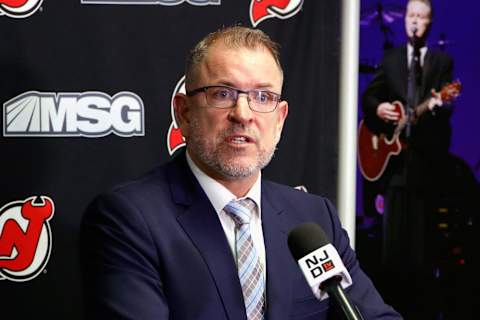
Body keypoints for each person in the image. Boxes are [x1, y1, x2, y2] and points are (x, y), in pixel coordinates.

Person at [80, 26, 401, 319]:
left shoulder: (314, 218)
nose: (243, 114)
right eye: (223, 94)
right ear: (184, 112)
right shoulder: (128, 219)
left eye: (263, 97)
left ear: (280, 119)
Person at [362, 0, 454, 317]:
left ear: (430, 22)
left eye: (422, 17)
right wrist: (378, 108)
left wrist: (440, 105)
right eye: (411, 16)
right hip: (394, 167)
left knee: (423, 243)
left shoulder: (442, 62)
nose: (415, 22)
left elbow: (449, 100)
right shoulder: (390, 60)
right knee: (393, 244)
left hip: (426, 163)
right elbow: (370, 96)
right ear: (404, 20)